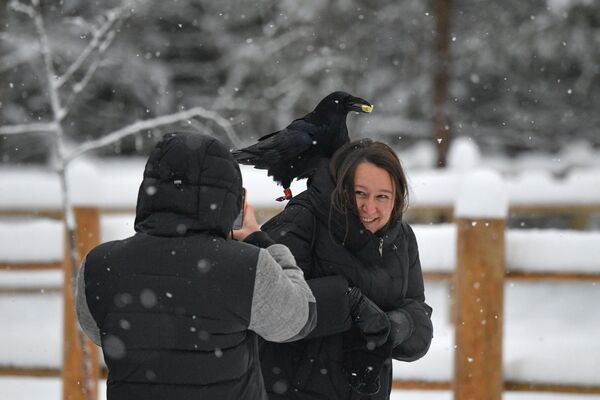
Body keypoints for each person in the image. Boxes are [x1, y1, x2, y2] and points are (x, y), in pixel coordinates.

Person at [75, 131, 316, 400]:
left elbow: (97, 331)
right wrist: (261, 240)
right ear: (232, 200)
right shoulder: (247, 267)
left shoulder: (99, 265)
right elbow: (300, 318)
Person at [258, 138, 433, 399]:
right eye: (359, 193)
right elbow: (268, 302)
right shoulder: (303, 220)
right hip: (291, 390)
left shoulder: (402, 237)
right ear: (341, 188)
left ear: (396, 199)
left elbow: (419, 315)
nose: (370, 208)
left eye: (382, 197)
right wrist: (348, 304)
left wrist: (393, 327)